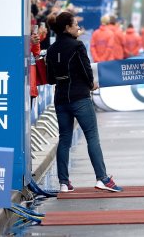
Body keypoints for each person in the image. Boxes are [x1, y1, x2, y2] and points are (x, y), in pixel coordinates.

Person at [46, 11, 123, 193]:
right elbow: (86, 69)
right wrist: (91, 84)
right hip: (80, 97)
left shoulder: (51, 49)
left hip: (61, 99)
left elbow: (50, 79)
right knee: (92, 137)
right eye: (75, 24)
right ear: (67, 27)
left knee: (64, 139)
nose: (78, 28)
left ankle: (63, 183)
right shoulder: (77, 46)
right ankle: (102, 178)